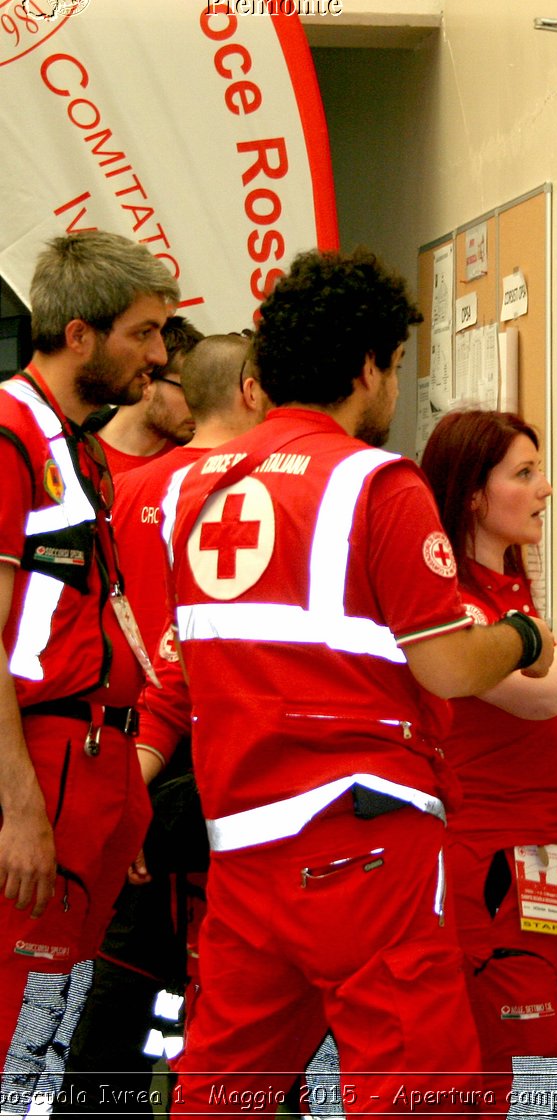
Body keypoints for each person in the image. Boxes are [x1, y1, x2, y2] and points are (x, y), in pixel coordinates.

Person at [142, 248, 554, 1117]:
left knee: (223, 1092)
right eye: (397, 367)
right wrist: (519, 635)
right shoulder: (376, 484)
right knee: (413, 1091)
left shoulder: (195, 491)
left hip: (246, 845)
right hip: (365, 843)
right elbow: (444, 663)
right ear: (370, 368)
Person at [53, 332, 269, 1118]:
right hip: (206, 777)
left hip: (127, 761)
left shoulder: (128, 492)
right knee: (198, 1005)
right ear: (250, 391)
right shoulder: (253, 492)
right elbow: (182, 662)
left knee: (124, 1000)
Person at [420, 409, 557, 1119]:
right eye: (524, 474)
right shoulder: (453, 607)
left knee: (530, 1071)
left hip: (541, 857)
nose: (545, 489)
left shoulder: (511, 592)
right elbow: (543, 698)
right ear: (473, 497)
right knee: (521, 1079)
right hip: (481, 863)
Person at [0, 230, 180, 1109]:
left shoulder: (83, 448)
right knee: (19, 1021)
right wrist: (21, 808)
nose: (158, 356)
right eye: (144, 334)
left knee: (56, 1014)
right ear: (80, 335)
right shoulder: (10, 433)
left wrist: (129, 796)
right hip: (41, 766)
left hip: (99, 766)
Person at [93, 315, 204, 479]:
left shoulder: (199, 464)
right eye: (188, 390)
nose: (199, 405)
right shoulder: (75, 455)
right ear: (146, 383)